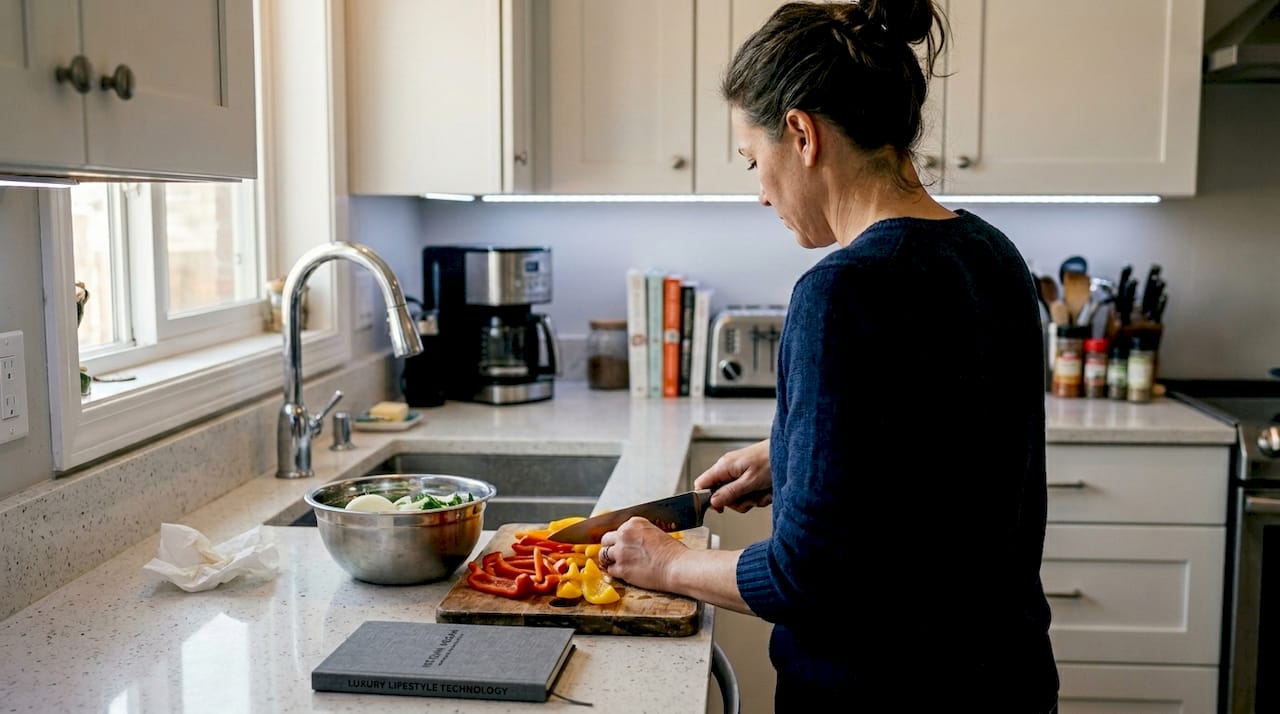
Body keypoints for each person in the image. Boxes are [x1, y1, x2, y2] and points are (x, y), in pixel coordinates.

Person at [594, 1, 1059, 711]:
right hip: (1005, 679)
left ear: (802, 134)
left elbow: (808, 579)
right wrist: (789, 451)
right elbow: (942, 450)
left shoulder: (840, 292)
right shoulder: (991, 254)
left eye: (755, 160)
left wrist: (671, 562)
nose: (759, 192)